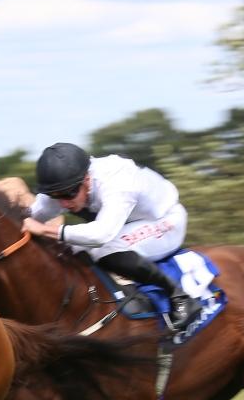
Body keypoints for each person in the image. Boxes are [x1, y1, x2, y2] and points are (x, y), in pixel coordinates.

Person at [21, 142, 201, 331]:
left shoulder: (116, 180)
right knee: (68, 249)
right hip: (128, 224)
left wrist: (46, 230)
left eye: (69, 194)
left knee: (103, 248)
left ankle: (179, 296)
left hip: (166, 221)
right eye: (55, 196)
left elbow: (102, 235)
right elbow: (28, 218)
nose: (64, 203)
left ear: (87, 179)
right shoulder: (66, 185)